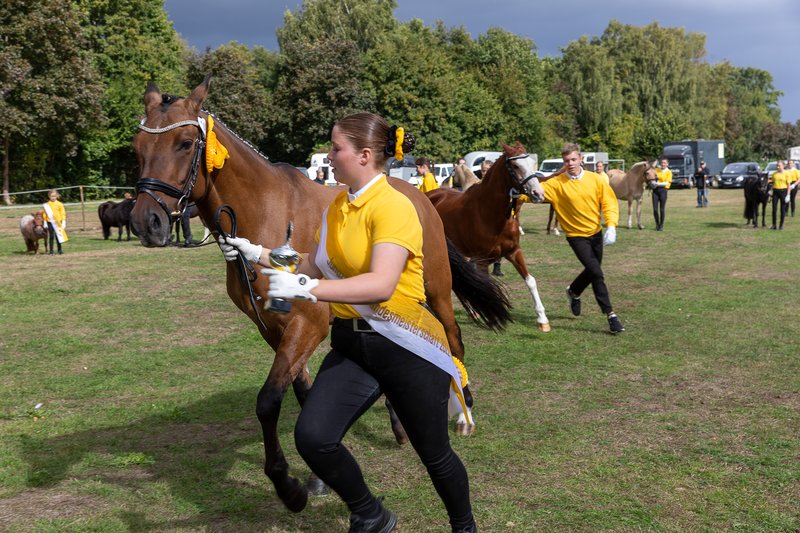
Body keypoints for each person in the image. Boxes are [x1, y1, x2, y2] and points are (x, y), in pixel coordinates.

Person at [219, 112, 477, 533]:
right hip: (354, 346)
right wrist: (255, 252)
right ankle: (371, 513)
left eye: (335, 147)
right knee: (313, 437)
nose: (329, 155)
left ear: (365, 155)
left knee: (435, 455)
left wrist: (305, 288)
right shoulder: (340, 205)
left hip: (405, 344)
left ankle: (464, 527)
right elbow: (310, 262)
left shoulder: (394, 206)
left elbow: (379, 284)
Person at [541, 143, 624, 334]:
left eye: (573, 159)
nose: (570, 163)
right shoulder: (556, 183)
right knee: (596, 273)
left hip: (595, 233)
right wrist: (515, 194)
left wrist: (611, 225)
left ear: (581, 159)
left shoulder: (596, 180)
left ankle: (574, 291)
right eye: (566, 160)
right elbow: (533, 193)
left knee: (592, 270)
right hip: (576, 236)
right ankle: (610, 314)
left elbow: (609, 202)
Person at [42, 189, 68, 255]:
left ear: (56, 196)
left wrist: (64, 221)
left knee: (58, 236)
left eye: (54, 196)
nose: (53, 198)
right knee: (51, 236)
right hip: (50, 222)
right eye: (51, 196)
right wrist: (45, 221)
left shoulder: (60, 204)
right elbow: (45, 214)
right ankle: (51, 251)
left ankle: (59, 250)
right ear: (49, 196)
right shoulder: (47, 205)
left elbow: (63, 213)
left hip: (58, 222)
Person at [769, 159, 790, 230]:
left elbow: (788, 185)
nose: (777, 167)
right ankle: (774, 225)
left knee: (782, 209)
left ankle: (781, 225)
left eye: (779, 166)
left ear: (783, 166)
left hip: (783, 191)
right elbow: (773, 183)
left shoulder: (786, 173)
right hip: (775, 191)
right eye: (777, 165)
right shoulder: (774, 174)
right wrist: (771, 191)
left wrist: (788, 194)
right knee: (774, 209)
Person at [652, 158, 672, 230]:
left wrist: (657, 183)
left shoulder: (668, 172)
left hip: (663, 190)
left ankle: (661, 225)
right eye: (662, 162)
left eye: (664, 163)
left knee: (662, 209)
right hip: (655, 191)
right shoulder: (656, 170)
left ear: (667, 164)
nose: (663, 164)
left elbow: (667, 183)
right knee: (655, 209)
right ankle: (657, 224)